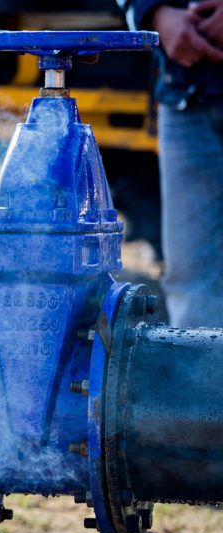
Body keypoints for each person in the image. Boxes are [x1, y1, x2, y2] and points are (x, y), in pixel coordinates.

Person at [119, 0, 223, 326]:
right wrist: (154, 13)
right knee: (192, 280)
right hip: (186, 98)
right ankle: (196, 377)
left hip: (188, 92)